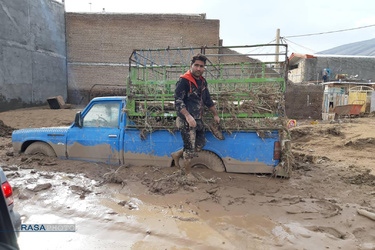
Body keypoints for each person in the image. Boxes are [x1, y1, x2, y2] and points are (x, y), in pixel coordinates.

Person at [171, 53, 220, 177]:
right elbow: (178, 101)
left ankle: (177, 154)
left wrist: (215, 114)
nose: (199, 68)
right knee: (189, 149)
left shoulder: (203, 82)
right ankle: (188, 174)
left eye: (201, 66)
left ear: (204, 68)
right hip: (186, 120)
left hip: (198, 119)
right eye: (196, 65)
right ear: (191, 66)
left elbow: (208, 100)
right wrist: (187, 116)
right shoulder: (184, 81)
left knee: (199, 145)